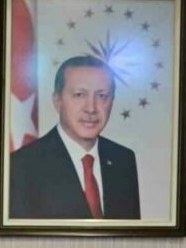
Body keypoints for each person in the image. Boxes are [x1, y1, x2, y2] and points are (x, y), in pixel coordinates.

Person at [9, 55, 140, 219]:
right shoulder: (21, 166)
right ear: (57, 101)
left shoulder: (123, 159)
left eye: (102, 96)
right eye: (79, 95)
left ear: (112, 101)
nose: (91, 108)